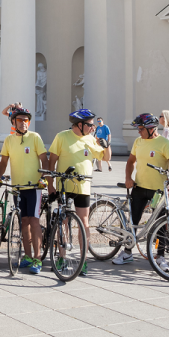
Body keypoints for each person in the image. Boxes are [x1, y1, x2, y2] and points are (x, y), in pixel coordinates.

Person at [112, 113, 169, 270]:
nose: (138, 131)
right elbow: (130, 161)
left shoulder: (164, 143)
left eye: (141, 128)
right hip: (139, 187)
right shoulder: (138, 142)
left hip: (158, 191)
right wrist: (128, 177)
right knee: (133, 221)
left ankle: (160, 256)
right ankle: (127, 252)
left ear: (151, 128)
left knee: (160, 224)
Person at [47, 108, 111, 276]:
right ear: (80, 125)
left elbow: (105, 157)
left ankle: (83, 260)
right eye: (90, 125)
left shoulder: (91, 139)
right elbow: (52, 161)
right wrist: (50, 185)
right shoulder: (62, 137)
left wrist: (106, 145)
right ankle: (62, 257)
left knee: (84, 222)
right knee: (63, 221)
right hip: (64, 186)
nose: (93, 127)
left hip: (83, 187)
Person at [0, 105, 46, 274]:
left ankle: (38, 258)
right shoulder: (9, 140)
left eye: (26, 120)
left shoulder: (35, 137)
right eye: (20, 120)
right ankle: (28, 256)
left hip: (34, 187)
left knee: (34, 221)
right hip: (18, 187)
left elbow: (43, 159)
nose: (23, 123)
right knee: (23, 221)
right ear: (13, 122)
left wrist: (44, 178)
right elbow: (3, 162)